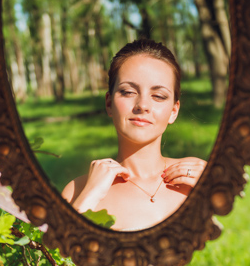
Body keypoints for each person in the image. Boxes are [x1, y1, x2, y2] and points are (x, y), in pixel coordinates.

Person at [62, 39, 206, 231]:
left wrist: (212, 193)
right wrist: (90, 195)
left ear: (174, 111)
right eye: (128, 92)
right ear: (108, 103)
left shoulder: (198, 175)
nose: (142, 105)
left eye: (159, 96)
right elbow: (58, 257)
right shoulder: (77, 190)